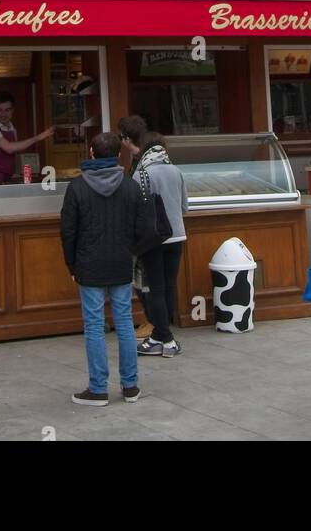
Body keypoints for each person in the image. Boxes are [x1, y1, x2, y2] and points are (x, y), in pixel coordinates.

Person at [60, 130, 148, 406]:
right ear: (118, 154)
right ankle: (130, 385)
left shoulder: (77, 188)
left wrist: (72, 264)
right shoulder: (130, 186)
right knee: (125, 323)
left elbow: (68, 231)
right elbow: (141, 228)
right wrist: (130, 252)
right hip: (121, 261)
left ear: (91, 153)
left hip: (89, 263)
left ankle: (98, 388)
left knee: (95, 326)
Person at [129, 130, 189, 358]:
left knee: (154, 287)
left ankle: (164, 337)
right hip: (177, 235)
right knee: (170, 285)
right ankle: (163, 336)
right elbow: (185, 206)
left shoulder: (141, 173)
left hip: (153, 238)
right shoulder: (176, 170)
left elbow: (136, 209)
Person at [118, 115, 155, 339]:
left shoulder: (142, 160)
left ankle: (151, 320)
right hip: (142, 228)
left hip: (143, 230)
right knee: (142, 278)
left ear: (125, 138)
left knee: (144, 278)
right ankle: (149, 318)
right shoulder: (138, 157)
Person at [0, 92, 54, 184]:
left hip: (7, 178)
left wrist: (24, 176)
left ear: (12, 110)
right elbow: (9, 148)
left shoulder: (12, 128)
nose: (3, 114)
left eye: (7, 110)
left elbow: (14, 155)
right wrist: (38, 138)